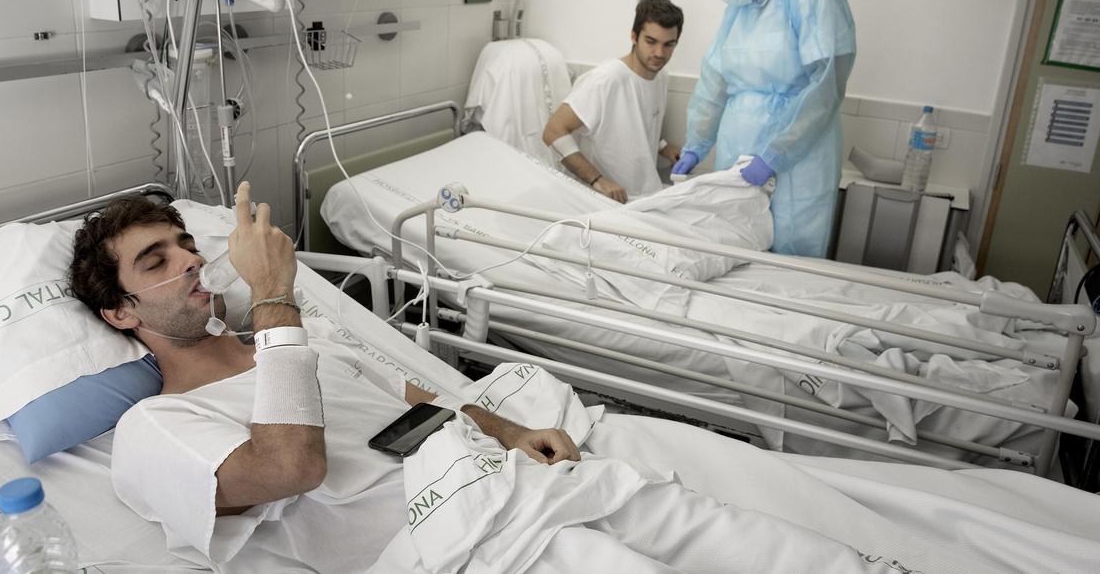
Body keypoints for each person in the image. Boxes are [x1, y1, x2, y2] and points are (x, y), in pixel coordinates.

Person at [67, 182, 900, 572]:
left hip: (500, 476)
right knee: (604, 562)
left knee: (692, 515)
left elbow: (417, 403)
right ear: (120, 313)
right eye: (156, 260)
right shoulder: (153, 428)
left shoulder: (295, 341)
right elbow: (292, 467)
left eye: (184, 244)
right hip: (450, 544)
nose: (188, 263)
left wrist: (508, 429)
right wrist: (276, 298)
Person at [671, 0, 856, 257]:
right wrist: (696, 144)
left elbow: (825, 85)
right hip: (737, 150)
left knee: (791, 250)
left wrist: (776, 154)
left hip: (800, 157)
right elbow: (714, 80)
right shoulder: (739, 10)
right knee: (733, 246)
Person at [541, 0, 684, 203]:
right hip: (602, 200)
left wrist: (663, 147)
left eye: (669, 44)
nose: (659, 53)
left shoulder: (660, 76)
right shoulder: (606, 80)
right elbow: (553, 131)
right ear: (634, 37)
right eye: (651, 42)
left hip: (643, 194)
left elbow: (635, 121)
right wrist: (598, 180)